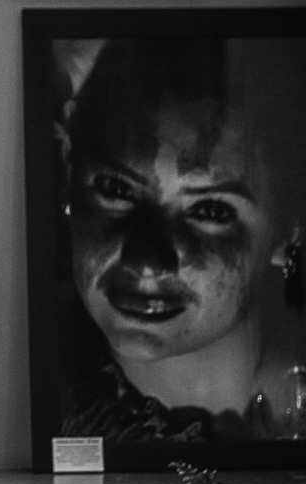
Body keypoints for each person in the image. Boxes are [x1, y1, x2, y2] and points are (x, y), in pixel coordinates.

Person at [57, 38, 306, 443]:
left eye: (211, 211)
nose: (146, 262)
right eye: (116, 189)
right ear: (70, 166)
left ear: (290, 223)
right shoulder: (42, 386)